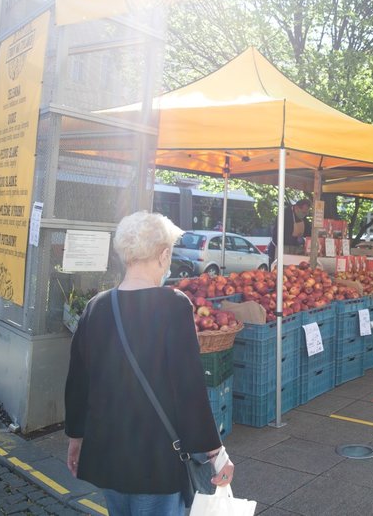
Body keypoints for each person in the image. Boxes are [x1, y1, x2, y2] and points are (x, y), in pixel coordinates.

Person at [64, 210, 234, 516]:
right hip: (155, 460)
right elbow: (189, 386)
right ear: (164, 254)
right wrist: (215, 451)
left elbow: (78, 381)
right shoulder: (173, 305)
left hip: (107, 452)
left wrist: (76, 438)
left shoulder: (96, 306)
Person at [267, 198, 311, 264]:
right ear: (296, 207)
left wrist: (306, 239)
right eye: (303, 212)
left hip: (295, 249)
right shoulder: (284, 215)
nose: (304, 214)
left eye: (306, 213)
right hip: (282, 249)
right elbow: (278, 235)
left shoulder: (303, 218)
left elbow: (308, 232)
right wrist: (296, 239)